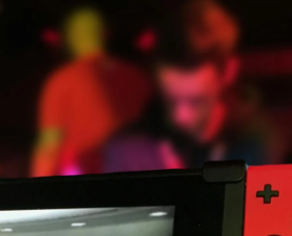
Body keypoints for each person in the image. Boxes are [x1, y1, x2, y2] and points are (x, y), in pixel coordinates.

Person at [104, 4, 277, 171]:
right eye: (171, 101)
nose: (181, 117)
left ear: (228, 73)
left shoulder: (259, 145)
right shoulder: (128, 149)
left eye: (196, 101)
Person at [31, 6, 151, 177]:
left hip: (83, 178)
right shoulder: (136, 76)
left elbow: (50, 143)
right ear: (104, 34)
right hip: (133, 174)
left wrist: (37, 186)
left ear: (70, 38)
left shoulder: (61, 81)